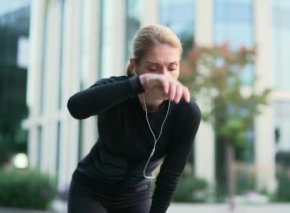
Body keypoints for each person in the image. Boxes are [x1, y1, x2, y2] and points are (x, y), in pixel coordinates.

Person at [67, 24, 201, 213]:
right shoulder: (115, 90)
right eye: (153, 68)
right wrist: (139, 84)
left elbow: (169, 176)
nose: (164, 77)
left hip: (136, 197)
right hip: (91, 190)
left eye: (172, 67)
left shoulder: (186, 111)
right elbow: (75, 108)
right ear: (134, 66)